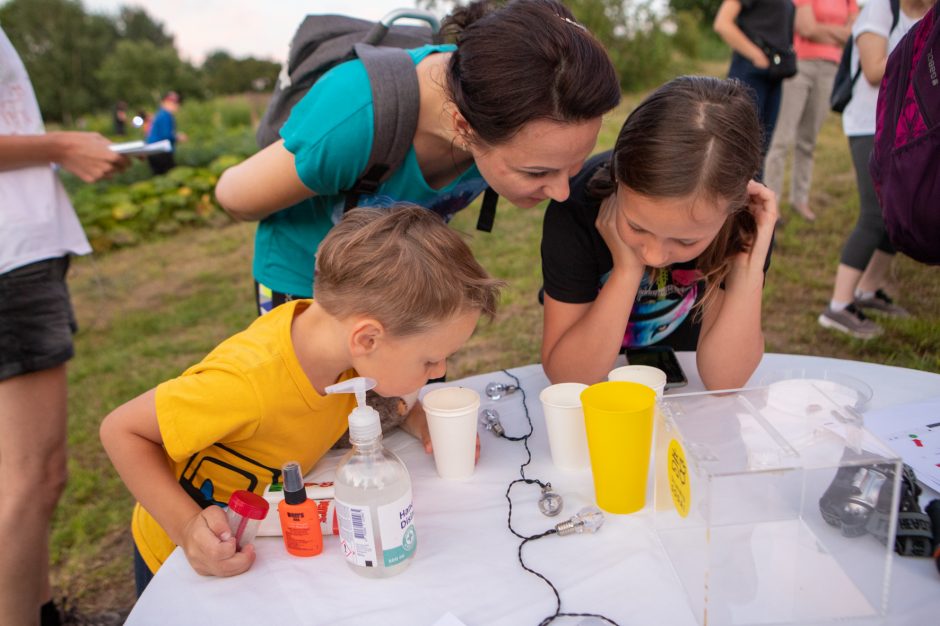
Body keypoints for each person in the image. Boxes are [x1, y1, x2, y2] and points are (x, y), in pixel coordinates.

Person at [99, 206, 503, 594]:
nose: (438, 370)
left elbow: (379, 389)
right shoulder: (246, 384)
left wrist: (415, 417)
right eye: (430, 359)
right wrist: (186, 528)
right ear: (366, 339)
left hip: (263, 534)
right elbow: (122, 430)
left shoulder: (337, 342)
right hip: (182, 557)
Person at [214, 0, 621, 315]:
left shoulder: (499, 96)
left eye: (572, 166)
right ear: (463, 128)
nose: (561, 192)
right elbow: (234, 196)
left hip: (396, 280)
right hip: (306, 284)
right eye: (538, 171)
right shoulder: (356, 118)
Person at [0, 25, 127, 626]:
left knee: (25, 476)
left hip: (22, 253)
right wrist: (60, 146)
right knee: (33, 476)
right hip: (9, 262)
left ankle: (42, 609)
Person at [540, 76, 777, 390]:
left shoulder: (746, 221)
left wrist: (748, 264)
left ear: (733, 210)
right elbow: (569, 378)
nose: (653, 255)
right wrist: (626, 272)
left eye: (685, 240)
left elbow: (725, 381)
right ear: (617, 180)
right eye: (637, 226)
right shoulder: (576, 209)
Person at [817, 0, 934, 339]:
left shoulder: (932, 14)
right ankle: (837, 307)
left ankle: (868, 292)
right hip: (869, 125)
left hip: (906, 128)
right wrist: (927, 54)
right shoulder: (880, 8)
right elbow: (873, 70)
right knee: (874, 214)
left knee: (901, 213)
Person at [764, 0, 859, 221]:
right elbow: (805, 28)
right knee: (781, 139)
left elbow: (854, 35)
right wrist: (839, 32)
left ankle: (800, 199)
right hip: (801, 66)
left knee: (808, 141)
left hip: (831, 69)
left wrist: (822, 30)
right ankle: (771, 202)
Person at [714, 0, 797, 164]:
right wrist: (756, 56)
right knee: (739, 148)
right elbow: (722, 23)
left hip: (774, 74)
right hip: (750, 73)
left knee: (760, 151)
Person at [146, 91, 186, 175]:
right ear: (164, 103)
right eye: (172, 103)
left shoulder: (160, 114)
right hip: (160, 151)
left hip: (153, 150)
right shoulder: (165, 115)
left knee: (160, 175)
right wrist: (178, 137)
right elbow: (166, 135)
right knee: (170, 175)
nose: (175, 106)